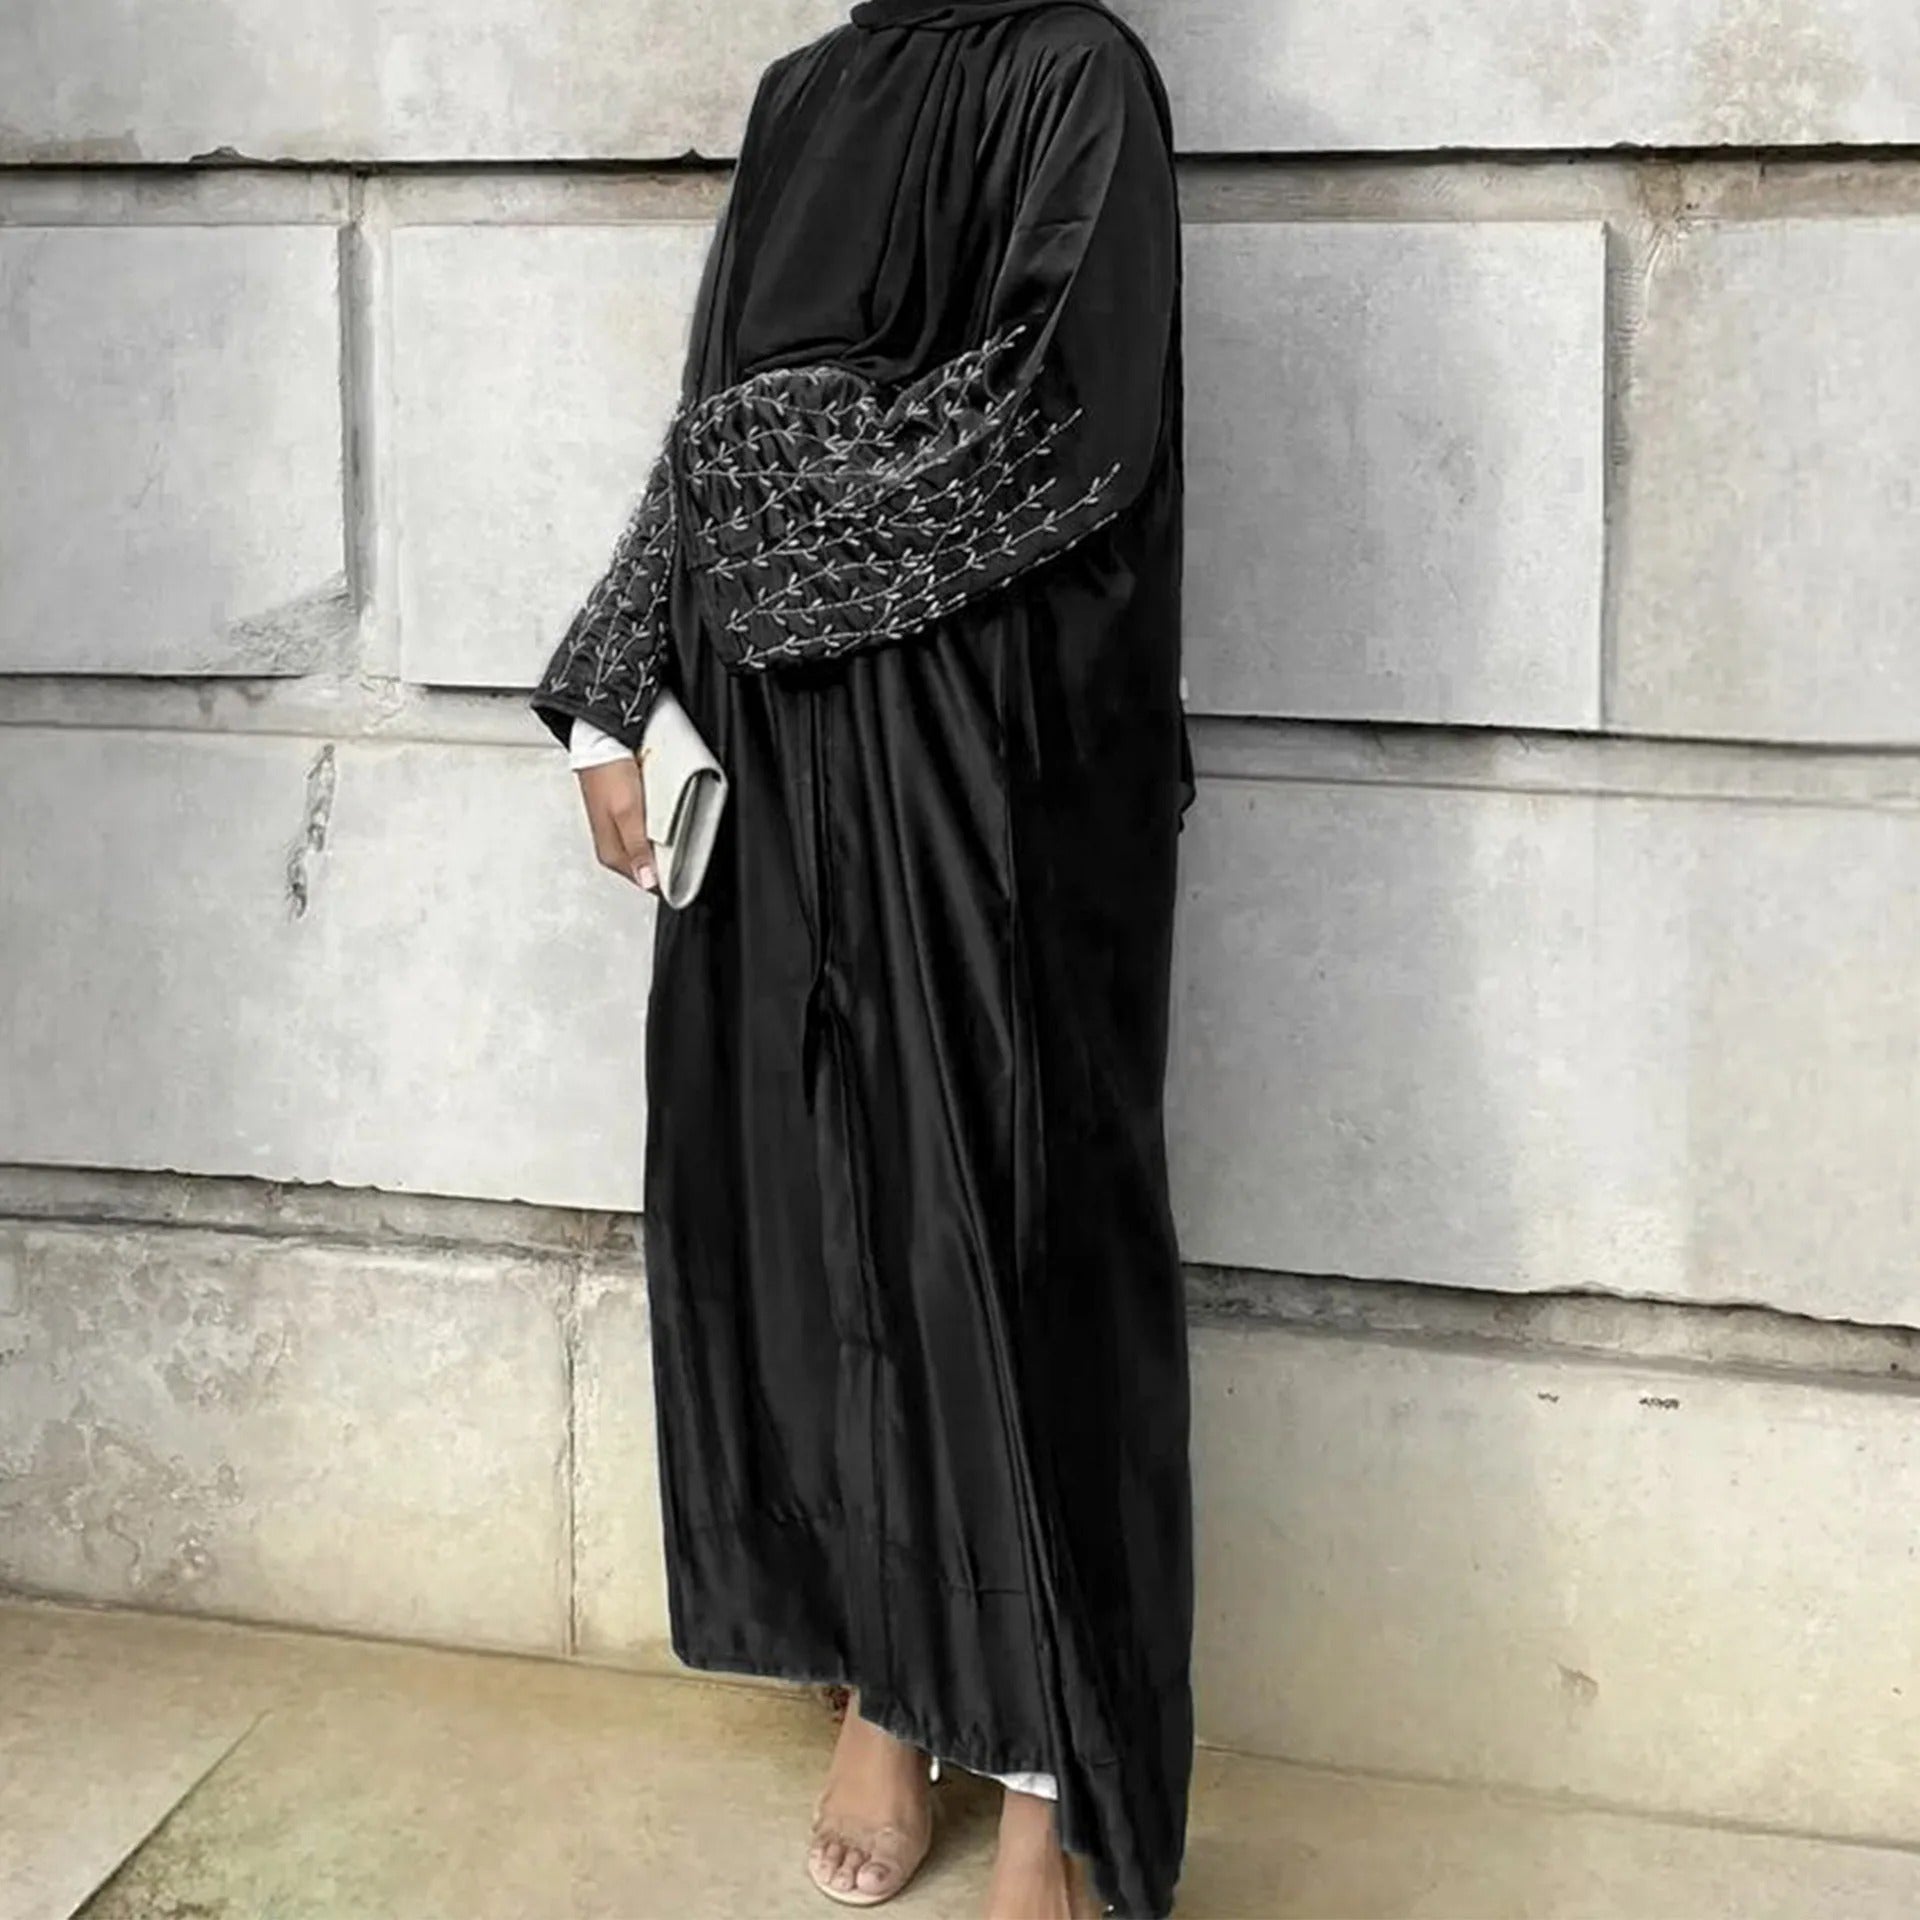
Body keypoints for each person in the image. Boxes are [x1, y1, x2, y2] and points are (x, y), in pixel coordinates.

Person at [528, 2, 1195, 1913]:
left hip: (995, 778)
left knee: (1012, 1233)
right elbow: (707, 417)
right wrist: (612, 687)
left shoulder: (1077, 71)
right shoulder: (802, 94)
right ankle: (889, 1694)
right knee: (818, 1221)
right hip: (783, 752)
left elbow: (1064, 419)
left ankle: (1055, 1783)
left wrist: (755, 470)